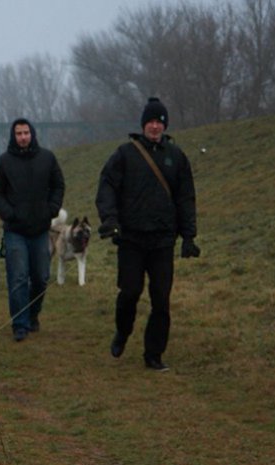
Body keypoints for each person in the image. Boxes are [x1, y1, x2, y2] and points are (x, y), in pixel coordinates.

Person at [95, 97, 199, 372]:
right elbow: (107, 187)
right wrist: (110, 221)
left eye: (159, 122)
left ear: (164, 125)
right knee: (130, 292)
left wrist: (189, 236)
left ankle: (154, 354)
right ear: (143, 125)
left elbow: (186, 197)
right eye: (150, 121)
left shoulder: (176, 157)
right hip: (130, 238)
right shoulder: (125, 154)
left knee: (161, 300)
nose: (155, 126)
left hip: (163, 240)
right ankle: (123, 331)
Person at [0, 118, 65, 342]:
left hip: (41, 229)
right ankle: (19, 324)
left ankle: (33, 314)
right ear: (13, 136)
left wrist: (51, 209)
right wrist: (8, 213)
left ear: (32, 134)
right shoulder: (3, 162)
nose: (23, 137)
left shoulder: (47, 158)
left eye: (26, 133)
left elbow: (58, 185)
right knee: (19, 278)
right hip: (15, 231)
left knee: (41, 277)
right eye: (19, 133)